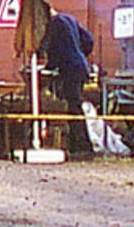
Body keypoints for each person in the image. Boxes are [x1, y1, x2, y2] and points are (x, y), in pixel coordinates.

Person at [42, 10, 97, 158]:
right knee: (76, 105)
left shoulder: (54, 24)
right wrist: (79, 53)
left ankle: (81, 147)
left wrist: (49, 66)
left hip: (70, 69)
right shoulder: (70, 19)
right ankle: (80, 145)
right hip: (80, 66)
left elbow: (54, 50)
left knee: (74, 106)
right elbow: (89, 40)